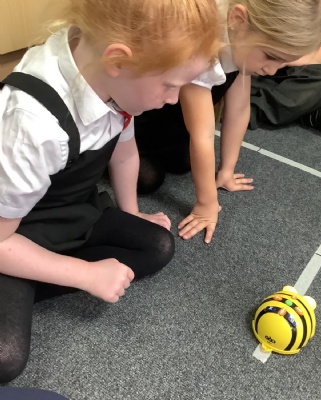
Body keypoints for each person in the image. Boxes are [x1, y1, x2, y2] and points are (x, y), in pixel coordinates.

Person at [0, 0, 221, 383]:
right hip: (12, 233)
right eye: (170, 85)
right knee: (6, 356)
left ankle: (31, 275)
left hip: (67, 211)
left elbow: (124, 153)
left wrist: (131, 211)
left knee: (157, 245)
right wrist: (84, 274)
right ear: (118, 61)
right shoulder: (33, 125)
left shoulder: (110, 79)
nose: (174, 99)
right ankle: (24, 276)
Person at [134, 0, 321, 243]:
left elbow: (239, 110)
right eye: (271, 57)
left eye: (282, 62)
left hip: (174, 122)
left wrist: (227, 169)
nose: (272, 71)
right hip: (141, 123)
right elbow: (202, 134)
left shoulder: (240, 44)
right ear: (238, 20)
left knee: (185, 163)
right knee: (148, 179)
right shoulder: (200, 48)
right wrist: (206, 204)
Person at [249, 2, 321, 134]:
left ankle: (244, 110)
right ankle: (298, 111)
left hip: (283, 68)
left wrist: (281, 60)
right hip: (250, 61)